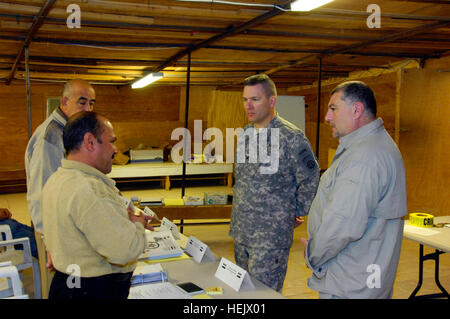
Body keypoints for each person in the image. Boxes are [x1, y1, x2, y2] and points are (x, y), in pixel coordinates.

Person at [301, 81, 408, 299]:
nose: (327, 117)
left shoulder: (364, 158)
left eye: (333, 108)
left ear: (356, 110)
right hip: (364, 278)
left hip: (350, 283)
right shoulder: (372, 146)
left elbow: (343, 223)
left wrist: (313, 253)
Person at [42, 111, 151, 299]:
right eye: (112, 141)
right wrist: (138, 224)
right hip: (93, 291)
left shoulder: (58, 179)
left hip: (68, 284)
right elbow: (125, 251)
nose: (115, 149)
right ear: (90, 142)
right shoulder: (89, 189)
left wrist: (119, 217)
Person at [229, 74, 320, 291]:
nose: (248, 106)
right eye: (245, 99)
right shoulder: (246, 134)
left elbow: (311, 177)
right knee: (243, 293)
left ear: (272, 101)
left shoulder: (291, 137)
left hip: (270, 238)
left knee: (263, 294)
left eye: (255, 99)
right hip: (242, 232)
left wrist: (294, 210)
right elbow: (242, 179)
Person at [25, 79, 96, 233]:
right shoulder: (51, 136)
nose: (88, 109)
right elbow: (40, 190)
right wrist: (48, 237)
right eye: (82, 103)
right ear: (64, 101)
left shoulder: (69, 129)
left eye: (91, 103)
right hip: (52, 227)